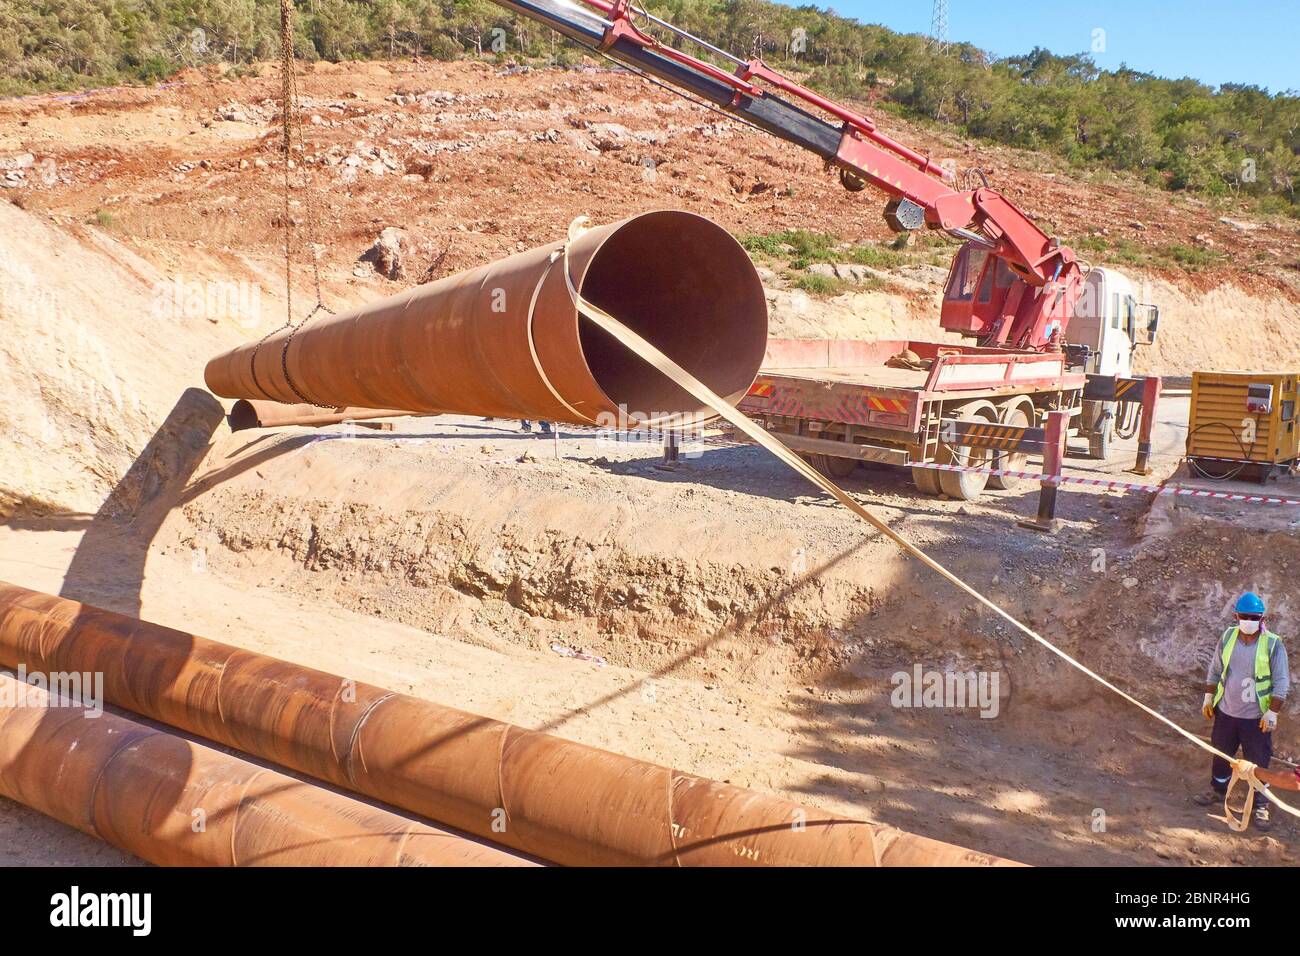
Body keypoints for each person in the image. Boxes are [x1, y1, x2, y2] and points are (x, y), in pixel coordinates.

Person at [1194, 591, 1289, 830]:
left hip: (1256, 719)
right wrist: (1208, 697)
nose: (1248, 621)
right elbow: (1215, 670)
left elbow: (1281, 681)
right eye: (1244, 616)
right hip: (1226, 713)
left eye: (1253, 617)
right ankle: (1218, 789)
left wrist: (1272, 712)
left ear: (1262, 619)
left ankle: (1260, 806)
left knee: (1259, 763)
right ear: (1236, 616)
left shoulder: (1273, 644)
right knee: (1222, 753)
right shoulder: (1228, 638)